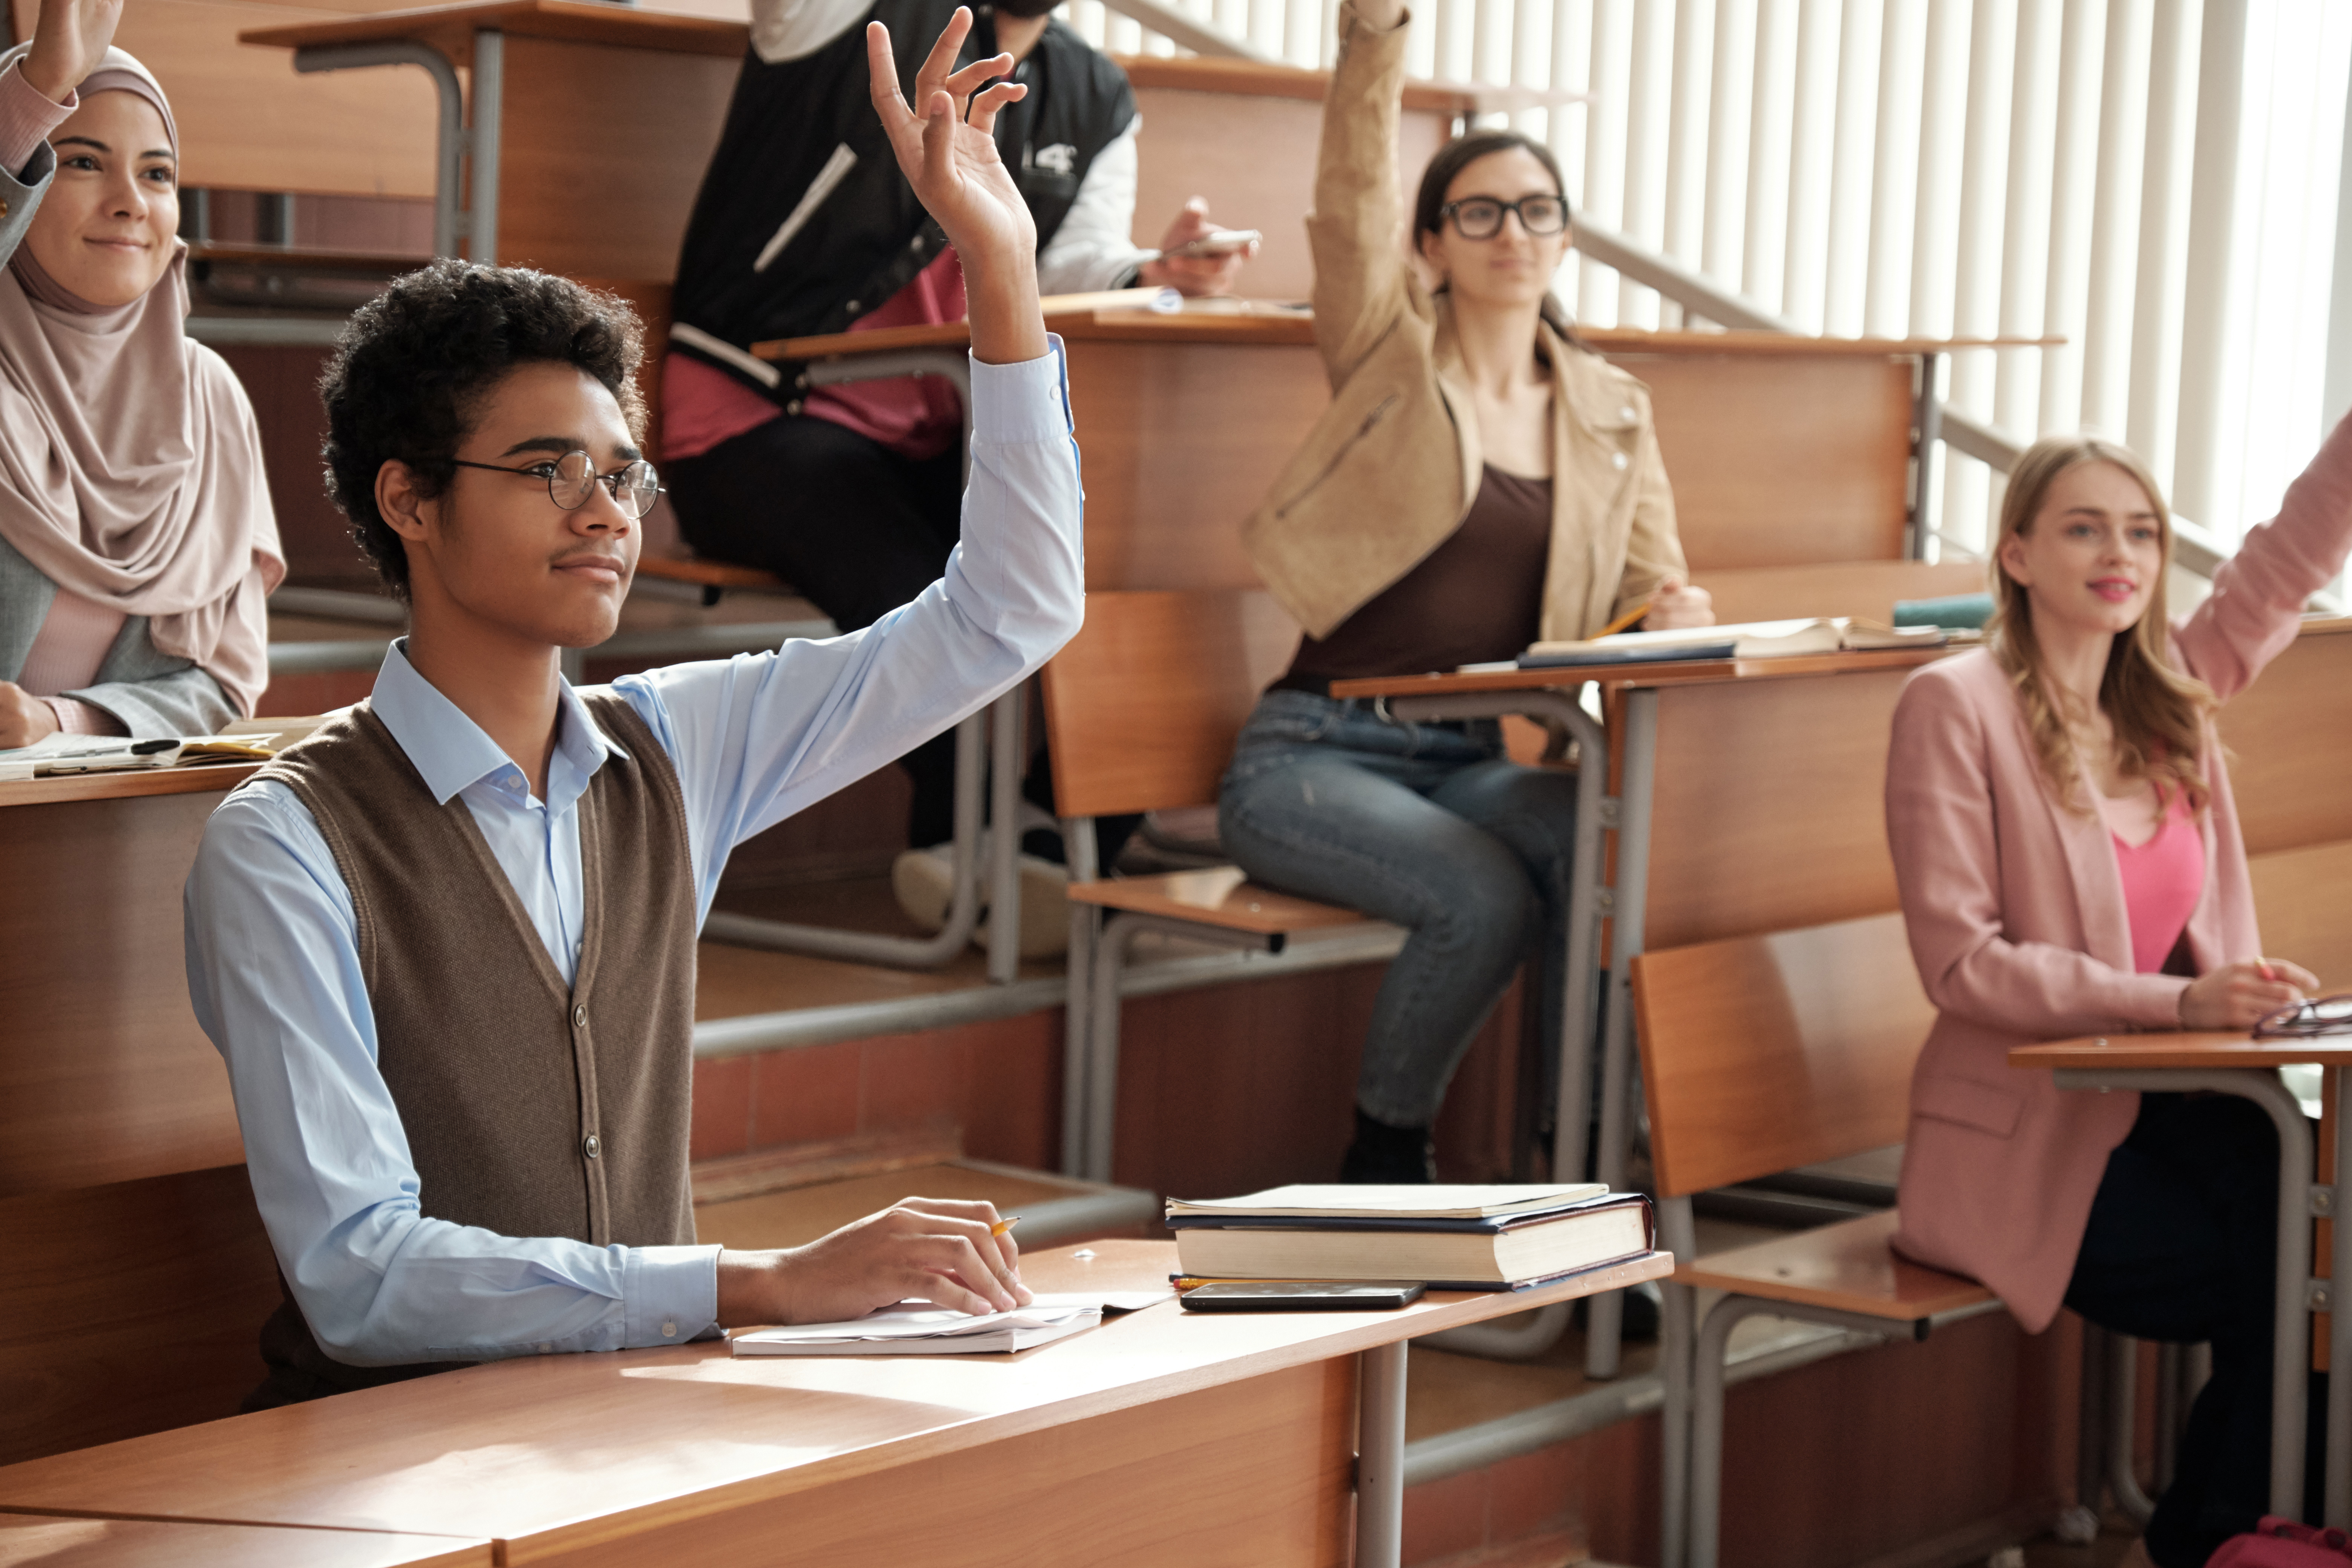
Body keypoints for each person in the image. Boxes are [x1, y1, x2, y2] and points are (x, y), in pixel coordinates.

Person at [183, 10, 1080, 1407]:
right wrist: (758, 1282)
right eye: (550, 471)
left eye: (623, 475)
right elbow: (361, 1279)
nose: (606, 514)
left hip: (630, 1430)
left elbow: (1010, 613)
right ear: (408, 500)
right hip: (376, 1466)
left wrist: (1000, 268)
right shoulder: (285, 843)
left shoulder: (674, 749)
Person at [1217, 0, 1711, 1185]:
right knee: (1484, 896)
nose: (1511, 233)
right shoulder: (1390, 359)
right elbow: (1348, 213)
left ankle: (1581, 1168)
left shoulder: (1610, 409)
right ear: (1432, 244)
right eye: (1478, 212)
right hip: (1314, 754)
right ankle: (1384, 1159)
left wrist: (1677, 614)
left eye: (1536, 211)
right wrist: (1375, 39)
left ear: (1565, 238)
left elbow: (1652, 588)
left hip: (1477, 758)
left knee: (1609, 856)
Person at [1887, 423, 2352, 1565]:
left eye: (2141, 531)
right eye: (2084, 528)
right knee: (2280, 1282)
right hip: (2029, 1141)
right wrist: (2175, 1006)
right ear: (2015, 555)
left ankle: (2233, 1539)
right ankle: (2221, 1541)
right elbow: (1963, 964)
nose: (2121, 553)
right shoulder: (1953, 706)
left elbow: (2283, 566)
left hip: (2187, 1108)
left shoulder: (2168, 706)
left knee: (2332, 1266)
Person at [664, 0, 1251, 876]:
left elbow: (1067, 258)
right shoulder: (841, 19)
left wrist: (1154, 273)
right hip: (756, 419)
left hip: (934, 430)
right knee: (922, 582)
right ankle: (964, 846)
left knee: (1091, 548)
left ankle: (1056, 838)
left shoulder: (1098, 95)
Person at [0, 0, 283, 747]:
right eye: (81, 162)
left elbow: (224, 681)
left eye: (158, 175)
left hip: (110, 831)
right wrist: (37, 90)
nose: (130, 204)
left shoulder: (207, 395)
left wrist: (57, 722)